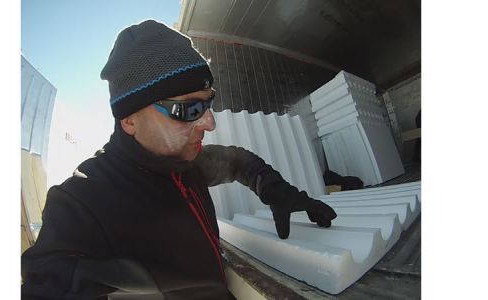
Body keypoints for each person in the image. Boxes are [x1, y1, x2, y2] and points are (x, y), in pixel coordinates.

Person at [21, 20, 337, 300]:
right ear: (129, 120)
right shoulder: (84, 199)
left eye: (209, 103)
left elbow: (239, 162)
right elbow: (48, 281)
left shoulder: (188, 163)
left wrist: (276, 192)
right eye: (189, 110)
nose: (210, 123)